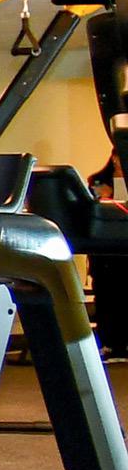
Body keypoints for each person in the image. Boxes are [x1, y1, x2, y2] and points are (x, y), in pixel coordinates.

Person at [89, 151, 128, 359]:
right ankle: (109, 342)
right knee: (106, 293)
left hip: (124, 245)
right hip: (105, 247)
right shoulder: (97, 181)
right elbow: (93, 208)